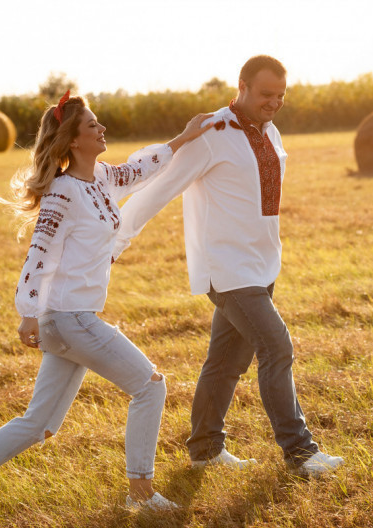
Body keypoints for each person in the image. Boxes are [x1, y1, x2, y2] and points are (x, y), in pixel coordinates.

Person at [0, 91, 214, 520]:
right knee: (150, 386)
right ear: (74, 140)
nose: (102, 129)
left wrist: (184, 137)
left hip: (71, 320)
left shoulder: (102, 178)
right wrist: (27, 312)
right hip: (68, 318)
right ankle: (141, 493)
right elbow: (38, 252)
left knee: (39, 424)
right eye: (93, 125)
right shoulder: (62, 192)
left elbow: (140, 169)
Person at [113, 56, 344, 477]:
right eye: (265, 94)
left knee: (225, 363)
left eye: (281, 95)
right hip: (227, 269)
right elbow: (159, 190)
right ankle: (300, 453)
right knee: (276, 347)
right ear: (242, 85)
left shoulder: (270, 130)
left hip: (262, 265)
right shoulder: (212, 133)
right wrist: (114, 242)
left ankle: (204, 448)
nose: (274, 102)